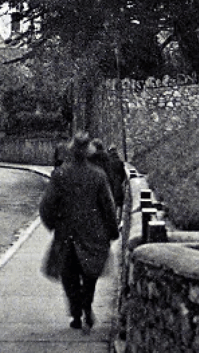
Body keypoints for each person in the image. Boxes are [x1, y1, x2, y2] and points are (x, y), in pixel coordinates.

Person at [39, 132, 120, 332]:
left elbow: (46, 206)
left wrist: (54, 226)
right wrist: (111, 231)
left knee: (69, 275)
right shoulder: (98, 175)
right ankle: (87, 304)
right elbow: (108, 207)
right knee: (90, 274)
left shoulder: (60, 175)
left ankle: (76, 313)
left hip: (67, 234)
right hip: (93, 233)